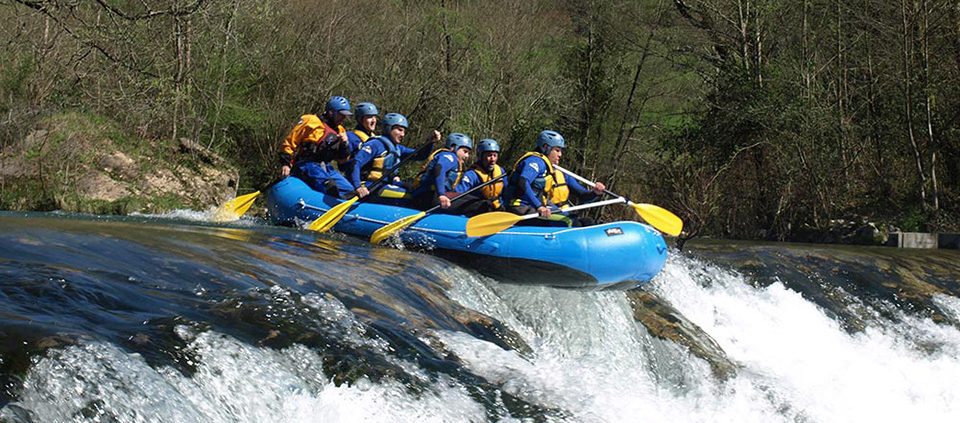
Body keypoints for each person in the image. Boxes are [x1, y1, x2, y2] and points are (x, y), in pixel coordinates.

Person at [502, 130, 605, 226]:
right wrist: (539, 206)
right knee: (566, 222)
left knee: (580, 221)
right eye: (557, 150)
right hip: (521, 207)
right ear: (546, 147)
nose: (560, 155)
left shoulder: (556, 171)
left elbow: (583, 195)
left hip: (534, 206)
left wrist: (595, 192)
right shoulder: (535, 161)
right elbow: (523, 182)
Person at [350, 112, 438, 202]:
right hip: (371, 186)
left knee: (417, 191)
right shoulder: (375, 144)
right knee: (407, 196)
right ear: (389, 128)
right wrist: (358, 187)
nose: (403, 134)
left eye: (404, 131)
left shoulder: (398, 148)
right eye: (399, 130)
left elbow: (420, 155)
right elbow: (356, 163)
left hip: (386, 184)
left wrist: (430, 142)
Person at [279, 96, 356, 197]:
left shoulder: (341, 130)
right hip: (306, 165)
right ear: (331, 112)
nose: (343, 118)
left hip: (325, 166)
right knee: (330, 186)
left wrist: (344, 144)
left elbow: (342, 160)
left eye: (345, 115)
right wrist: (286, 163)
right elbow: (291, 141)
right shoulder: (311, 121)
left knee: (349, 190)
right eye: (341, 115)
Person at [410, 133, 473, 210]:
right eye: (465, 151)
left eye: (469, 153)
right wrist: (441, 194)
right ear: (453, 147)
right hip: (428, 196)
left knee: (473, 200)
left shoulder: (451, 159)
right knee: (477, 204)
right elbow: (439, 168)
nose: (467, 156)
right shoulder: (450, 157)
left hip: (430, 195)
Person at [453, 138, 507, 215]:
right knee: (485, 206)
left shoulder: (501, 172)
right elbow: (458, 193)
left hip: (499, 208)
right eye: (489, 155)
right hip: (479, 210)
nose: (492, 159)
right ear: (480, 156)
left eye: (495, 155)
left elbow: (507, 192)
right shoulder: (472, 174)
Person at [338, 102, 379, 191]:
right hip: (356, 182)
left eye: (375, 117)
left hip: (371, 182)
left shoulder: (376, 139)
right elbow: (342, 166)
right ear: (360, 119)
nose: (373, 120)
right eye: (369, 117)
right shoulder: (351, 137)